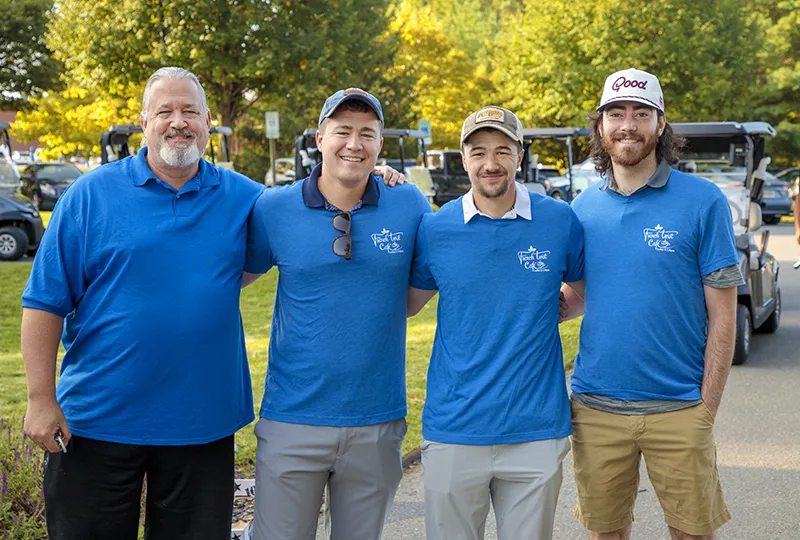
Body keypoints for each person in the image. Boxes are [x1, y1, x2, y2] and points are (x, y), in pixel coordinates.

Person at [21, 67, 264, 539]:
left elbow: (315, 205)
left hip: (202, 423)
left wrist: (370, 171)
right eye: (165, 111)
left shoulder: (244, 198)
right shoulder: (90, 195)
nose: (178, 121)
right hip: (96, 421)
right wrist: (40, 399)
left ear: (208, 121)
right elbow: (43, 301)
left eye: (190, 110)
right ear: (144, 121)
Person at [560, 68, 744, 540]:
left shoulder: (703, 201)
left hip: (680, 407)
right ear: (600, 125)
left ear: (660, 125)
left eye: (642, 113)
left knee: (692, 533)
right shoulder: (580, 209)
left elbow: (723, 314)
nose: (628, 125)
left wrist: (707, 407)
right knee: (605, 533)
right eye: (616, 113)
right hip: (596, 407)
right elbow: (579, 295)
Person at [243, 88, 432, 540]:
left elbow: (413, 296)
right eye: (343, 131)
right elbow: (231, 281)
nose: (354, 143)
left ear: (380, 144)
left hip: (377, 419)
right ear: (319, 137)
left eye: (367, 134)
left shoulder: (409, 205)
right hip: (293, 417)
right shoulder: (274, 208)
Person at [406, 106, 584, 540]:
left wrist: (556, 306)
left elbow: (582, 291)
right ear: (464, 158)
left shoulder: (558, 221)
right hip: (454, 428)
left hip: (536, 429)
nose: (491, 163)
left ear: (519, 156)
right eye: (479, 152)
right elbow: (409, 304)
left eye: (503, 150)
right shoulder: (436, 228)